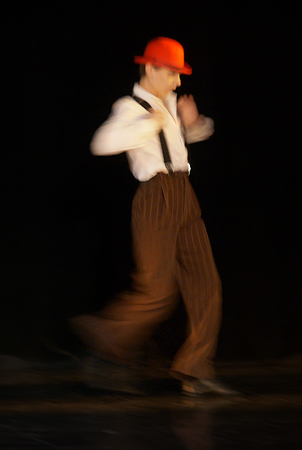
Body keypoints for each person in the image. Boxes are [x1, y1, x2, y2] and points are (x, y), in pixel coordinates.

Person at [71, 37, 235, 397]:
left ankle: (196, 370)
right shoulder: (129, 107)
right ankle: (104, 335)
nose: (177, 81)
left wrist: (194, 123)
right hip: (156, 196)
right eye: (172, 73)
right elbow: (101, 143)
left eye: (179, 74)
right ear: (150, 68)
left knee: (207, 285)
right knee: (158, 291)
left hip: (184, 194)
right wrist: (151, 123)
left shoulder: (172, 103)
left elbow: (195, 135)